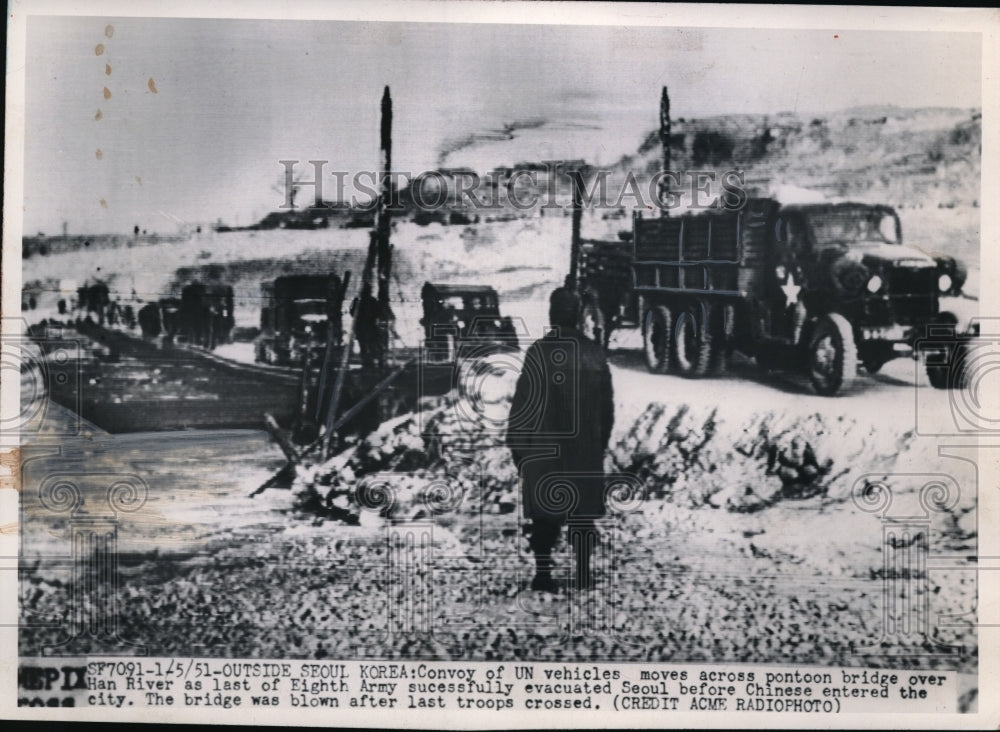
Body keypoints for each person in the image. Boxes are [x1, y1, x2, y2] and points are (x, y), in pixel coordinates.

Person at [506, 287, 614, 592]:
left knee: (544, 515)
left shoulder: (539, 352)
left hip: (545, 449)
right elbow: (607, 410)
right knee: (582, 516)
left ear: (553, 314)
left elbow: (523, 407)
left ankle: (543, 574)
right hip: (584, 450)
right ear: (578, 315)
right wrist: (598, 445)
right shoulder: (595, 353)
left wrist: (518, 448)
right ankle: (582, 573)